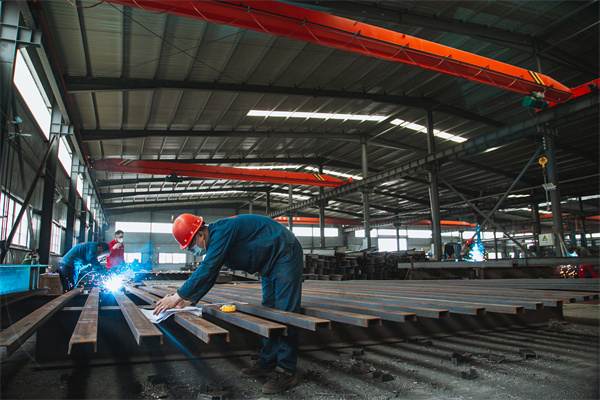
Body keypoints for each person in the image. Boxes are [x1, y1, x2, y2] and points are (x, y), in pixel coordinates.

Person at [154, 214, 303, 395]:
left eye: (191, 246)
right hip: (269, 264)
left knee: (285, 312)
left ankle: (287, 370)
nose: (192, 250)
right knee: (270, 312)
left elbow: (207, 268)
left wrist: (177, 296)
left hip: (285, 253)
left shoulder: (222, 232)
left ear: (200, 234)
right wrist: (189, 300)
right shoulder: (216, 242)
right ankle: (267, 362)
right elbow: (211, 274)